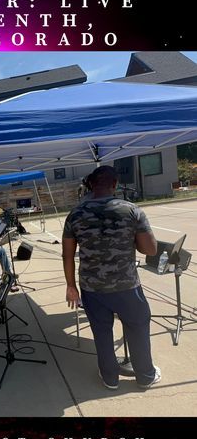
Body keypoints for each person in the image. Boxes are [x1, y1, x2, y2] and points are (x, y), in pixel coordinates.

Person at [62, 165, 160, 390]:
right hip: (127, 286)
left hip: (91, 288)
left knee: (102, 332)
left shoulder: (75, 214)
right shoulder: (131, 210)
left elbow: (67, 255)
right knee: (137, 327)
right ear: (114, 185)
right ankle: (145, 376)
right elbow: (150, 250)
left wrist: (70, 286)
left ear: (92, 185)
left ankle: (110, 378)